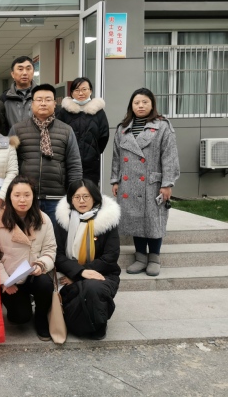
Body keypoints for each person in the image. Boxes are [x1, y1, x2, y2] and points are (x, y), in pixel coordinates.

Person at [111, 88, 179, 276]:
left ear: (152, 104)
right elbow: (117, 157)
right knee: (135, 219)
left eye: (144, 102)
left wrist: (167, 184)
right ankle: (140, 257)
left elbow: (170, 157)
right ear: (131, 105)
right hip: (128, 183)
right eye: (136, 102)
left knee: (153, 221)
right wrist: (115, 180)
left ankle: (154, 257)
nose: (140, 106)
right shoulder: (123, 128)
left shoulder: (162, 126)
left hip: (153, 183)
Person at [0, 176, 56, 341]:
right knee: (20, 318)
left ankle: (41, 317)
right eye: (17, 195)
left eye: (27, 195)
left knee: (45, 283)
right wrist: (4, 282)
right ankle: (22, 303)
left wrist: (42, 264)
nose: (22, 200)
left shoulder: (44, 219)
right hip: (11, 277)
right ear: (9, 197)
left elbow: (50, 249)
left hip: (34, 273)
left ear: (33, 196)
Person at [54, 179, 121, 340]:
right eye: (77, 197)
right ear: (71, 199)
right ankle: (80, 324)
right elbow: (58, 255)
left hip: (103, 273)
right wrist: (78, 272)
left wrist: (80, 274)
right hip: (67, 274)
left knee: (92, 287)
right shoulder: (63, 221)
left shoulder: (107, 222)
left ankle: (97, 325)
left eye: (86, 196)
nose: (81, 201)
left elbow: (110, 257)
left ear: (95, 198)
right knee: (78, 291)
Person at [8, 83, 82, 227]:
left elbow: (74, 165)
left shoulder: (66, 130)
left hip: (57, 198)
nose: (43, 103)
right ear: (32, 104)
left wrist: (74, 193)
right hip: (26, 198)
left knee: (55, 237)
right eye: (39, 99)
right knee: (26, 235)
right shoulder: (17, 129)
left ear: (55, 104)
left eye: (48, 99)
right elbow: (9, 164)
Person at [56, 77, 109, 184]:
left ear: (90, 91)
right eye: (77, 90)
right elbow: (58, 134)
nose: (81, 93)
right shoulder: (64, 112)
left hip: (91, 164)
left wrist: (93, 151)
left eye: (84, 89)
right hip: (67, 163)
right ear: (71, 93)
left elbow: (104, 135)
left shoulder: (98, 112)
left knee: (89, 192)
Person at [0, 56, 36, 127]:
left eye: (28, 69)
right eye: (20, 69)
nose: (25, 73)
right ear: (12, 74)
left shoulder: (42, 95)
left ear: (33, 72)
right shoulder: (4, 98)